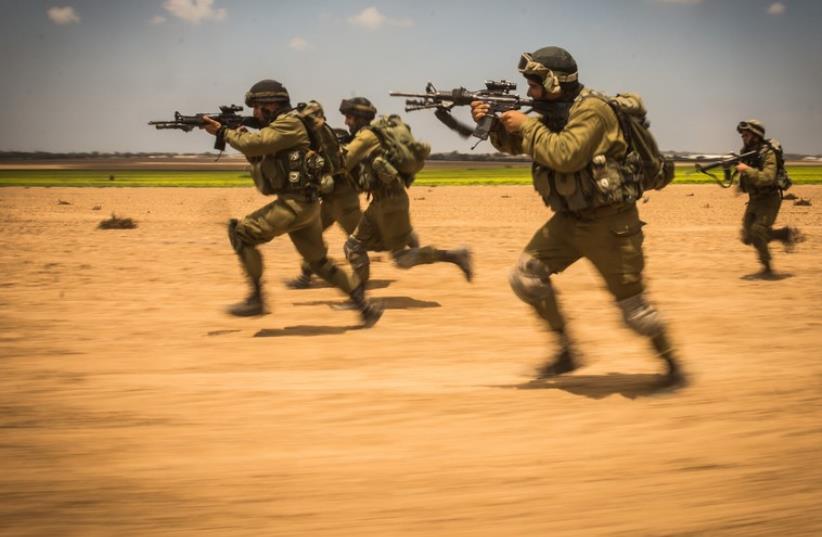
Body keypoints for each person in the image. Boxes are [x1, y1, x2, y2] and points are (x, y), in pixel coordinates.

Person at [471, 46, 683, 384]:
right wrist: (495, 125)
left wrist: (526, 126)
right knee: (526, 277)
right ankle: (567, 351)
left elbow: (565, 154)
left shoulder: (593, 111)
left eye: (534, 84)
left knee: (635, 311)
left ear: (554, 82)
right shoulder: (557, 112)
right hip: (569, 219)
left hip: (610, 223)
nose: (529, 92)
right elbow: (521, 144)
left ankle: (673, 366)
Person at [200, 79, 382, 327]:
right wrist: (235, 129)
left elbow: (255, 144)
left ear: (271, 104)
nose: (254, 113)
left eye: (256, 107)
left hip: (294, 206)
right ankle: (365, 308)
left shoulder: (289, 123)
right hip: (306, 207)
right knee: (319, 264)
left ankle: (256, 298)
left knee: (241, 233)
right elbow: (262, 143)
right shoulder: (285, 124)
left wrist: (222, 132)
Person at [340, 97, 473, 286]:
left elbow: (342, 163)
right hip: (382, 202)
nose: (346, 122)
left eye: (349, 118)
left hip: (389, 204)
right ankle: (359, 296)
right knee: (354, 245)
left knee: (401, 259)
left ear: (359, 118)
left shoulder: (367, 137)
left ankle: (454, 255)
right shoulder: (371, 136)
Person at [734, 119, 804, 278]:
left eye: (746, 134)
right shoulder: (747, 153)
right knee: (748, 236)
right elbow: (747, 175)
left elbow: (767, 177)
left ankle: (767, 268)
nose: (743, 137)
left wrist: (747, 170)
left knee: (758, 231)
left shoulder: (768, 153)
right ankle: (784, 234)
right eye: (742, 135)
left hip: (769, 199)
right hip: (754, 200)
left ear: (756, 135)